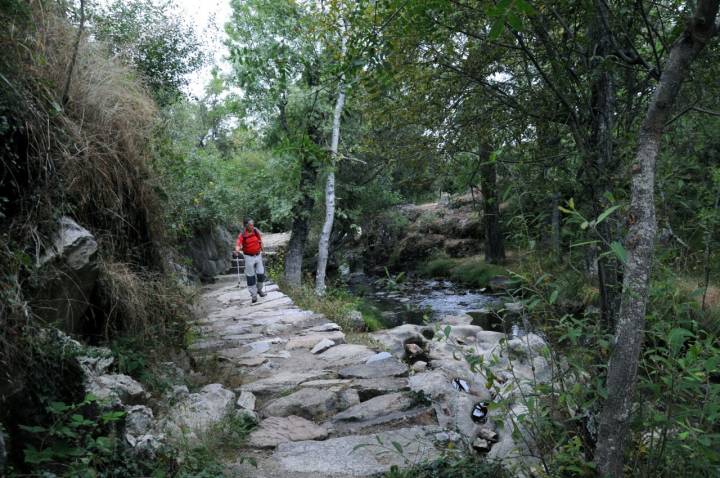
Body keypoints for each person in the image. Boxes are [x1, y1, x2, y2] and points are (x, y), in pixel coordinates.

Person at [235, 217, 266, 303]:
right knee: (251, 276)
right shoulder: (242, 234)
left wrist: (263, 250)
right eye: (250, 225)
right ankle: (254, 295)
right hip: (248, 257)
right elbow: (238, 243)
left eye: (253, 224)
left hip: (258, 255)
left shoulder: (255, 231)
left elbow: (260, 241)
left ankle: (259, 290)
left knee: (261, 274)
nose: (252, 226)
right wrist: (237, 250)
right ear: (246, 225)